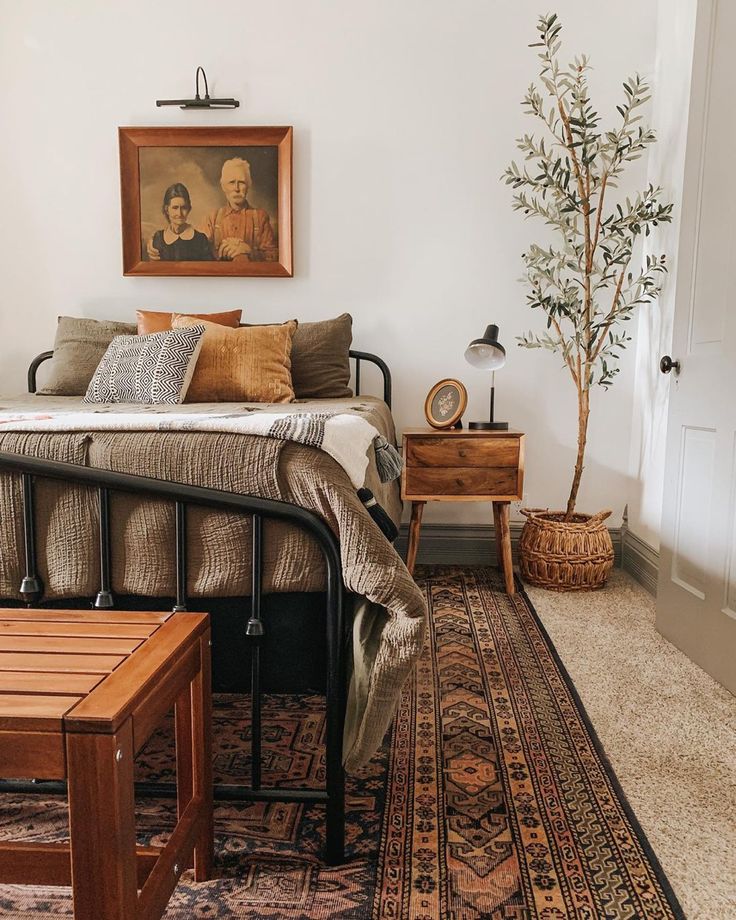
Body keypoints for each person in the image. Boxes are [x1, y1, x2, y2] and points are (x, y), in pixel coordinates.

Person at [202, 157, 278, 262]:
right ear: (223, 186)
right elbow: (200, 255)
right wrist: (221, 252)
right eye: (232, 182)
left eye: (241, 182)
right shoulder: (212, 218)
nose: (236, 188)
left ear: (248, 185)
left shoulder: (260, 218)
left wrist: (249, 251)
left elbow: (274, 257)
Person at [146, 183, 212, 261]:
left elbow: (208, 269)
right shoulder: (159, 238)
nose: (179, 213)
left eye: (184, 208)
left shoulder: (200, 239)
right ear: (167, 210)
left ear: (189, 209)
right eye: (175, 208)